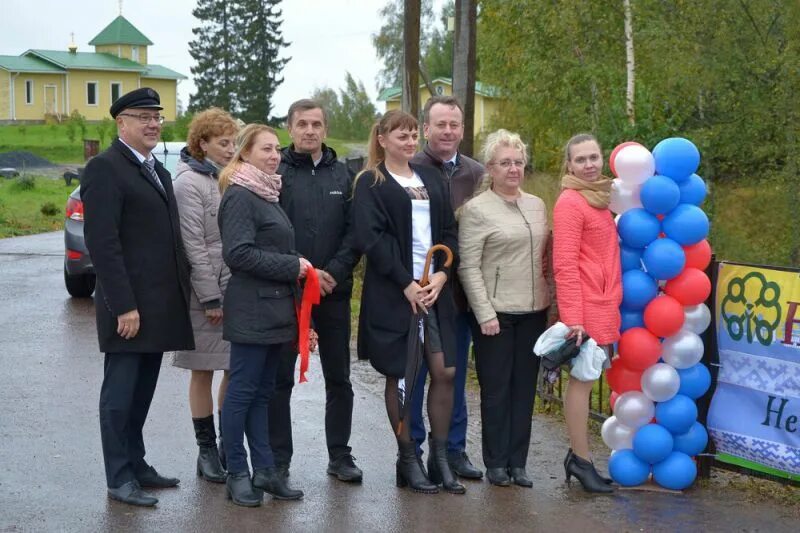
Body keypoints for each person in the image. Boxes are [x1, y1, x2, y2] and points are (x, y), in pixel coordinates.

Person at [81, 87, 194, 507]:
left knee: (143, 389)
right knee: (120, 394)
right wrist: (123, 305)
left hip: (157, 306)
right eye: (143, 117)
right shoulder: (105, 169)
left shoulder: (157, 171)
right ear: (120, 123)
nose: (152, 124)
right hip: (127, 307)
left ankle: (137, 462)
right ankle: (119, 476)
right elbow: (103, 243)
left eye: (157, 117)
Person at [352, 110, 464, 494]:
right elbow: (371, 238)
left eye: (414, 134)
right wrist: (406, 282)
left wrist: (442, 274)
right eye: (402, 135)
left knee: (444, 371)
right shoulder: (371, 182)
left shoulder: (430, 177)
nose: (410, 140)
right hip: (395, 294)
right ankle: (407, 458)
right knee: (400, 375)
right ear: (382, 139)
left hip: (433, 291)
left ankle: (439, 457)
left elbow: (449, 229)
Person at [269, 99, 362, 483]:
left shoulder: (344, 176)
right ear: (289, 128)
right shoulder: (275, 173)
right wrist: (302, 271)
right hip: (286, 292)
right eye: (302, 124)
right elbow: (268, 230)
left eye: (317, 124)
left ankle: (340, 455)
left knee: (339, 378)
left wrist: (332, 274)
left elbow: (355, 234)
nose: (310, 131)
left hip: (333, 293)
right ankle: (278, 459)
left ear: (325, 129)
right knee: (280, 380)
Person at [218, 124, 309, 507]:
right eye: (265, 149)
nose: (274, 155)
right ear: (244, 154)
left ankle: (266, 471)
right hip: (252, 311)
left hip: (276, 312)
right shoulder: (240, 195)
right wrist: (294, 266)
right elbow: (237, 254)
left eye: (276, 149)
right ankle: (237, 472)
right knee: (241, 395)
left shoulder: (267, 193)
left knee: (262, 395)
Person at [458, 129, 551, 488]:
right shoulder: (477, 210)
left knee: (524, 389)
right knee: (496, 390)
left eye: (518, 162)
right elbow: (469, 265)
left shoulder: (536, 205)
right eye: (504, 163)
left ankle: (519, 462)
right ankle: (496, 462)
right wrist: (484, 314)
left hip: (533, 312)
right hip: (495, 314)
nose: (513, 169)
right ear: (490, 168)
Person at [409, 95, 484, 479]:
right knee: (418, 374)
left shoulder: (476, 173)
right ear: (426, 129)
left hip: (459, 294)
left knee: (451, 375)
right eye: (441, 124)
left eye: (454, 125)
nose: (448, 131)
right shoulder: (409, 168)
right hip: (417, 293)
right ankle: (416, 453)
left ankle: (454, 452)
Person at [172, 107, 239, 484]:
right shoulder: (189, 184)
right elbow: (193, 246)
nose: (231, 149)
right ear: (202, 144)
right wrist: (210, 298)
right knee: (202, 369)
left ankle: (229, 444)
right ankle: (206, 450)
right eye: (223, 142)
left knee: (234, 367)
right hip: (207, 294)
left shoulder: (228, 178)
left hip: (237, 290)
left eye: (233, 142)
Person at [553, 133, 621, 494]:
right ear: (569, 165)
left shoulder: (602, 198)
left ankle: (577, 457)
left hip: (606, 303)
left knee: (589, 380)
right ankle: (581, 460)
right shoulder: (570, 202)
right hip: (586, 309)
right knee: (582, 384)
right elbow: (564, 264)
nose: (589, 164)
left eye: (594, 157)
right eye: (581, 159)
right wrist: (574, 319)